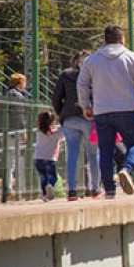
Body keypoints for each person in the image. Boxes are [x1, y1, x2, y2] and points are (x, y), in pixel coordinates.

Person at [77, 25, 134, 199]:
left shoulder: (91, 60)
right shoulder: (132, 58)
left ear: (105, 40)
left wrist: (85, 106)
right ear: (122, 40)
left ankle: (109, 189)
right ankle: (127, 168)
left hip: (102, 111)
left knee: (105, 150)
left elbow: (82, 84)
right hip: (127, 110)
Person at [52, 50, 100, 201]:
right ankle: (95, 188)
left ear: (75, 61)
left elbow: (56, 98)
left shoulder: (65, 75)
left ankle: (72, 191)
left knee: (72, 154)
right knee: (93, 154)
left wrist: (62, 114)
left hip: (69, 119)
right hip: (89, 118)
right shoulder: (93, 76)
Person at [2, 72, 30, 201]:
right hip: (15, 133)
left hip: (5, 132)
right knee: (18, 160)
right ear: (20, 83)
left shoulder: (5, 94)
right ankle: (21, 188)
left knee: (9, 161)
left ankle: (8, 188)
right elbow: (19, 115)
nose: (25, 85)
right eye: (24, 82)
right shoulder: (18, 96)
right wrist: (23, 131)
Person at [33, 109, 64, 202]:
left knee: (43, 178)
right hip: (49, 159)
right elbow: (62, 133)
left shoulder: (39, 133)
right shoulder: (54, 135)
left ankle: (45, 194)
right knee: (52, 177)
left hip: (37, 159)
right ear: (52, 122)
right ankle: (50, 185)